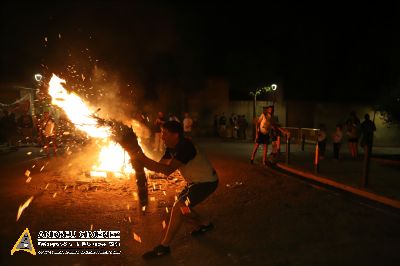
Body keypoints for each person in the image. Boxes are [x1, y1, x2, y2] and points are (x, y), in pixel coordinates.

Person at [118, 121, 218, 259]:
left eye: (165, 133)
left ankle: (164, 247)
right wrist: (139, 159)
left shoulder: (185, 147)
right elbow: (160, 166)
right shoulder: (171, 148)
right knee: (183, 209)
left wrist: (141, 157)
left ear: (175, 135)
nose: (162, 136)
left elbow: (167, 170)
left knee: (179, 207)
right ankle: (205, 223)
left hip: (206, 182)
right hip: (194, 183)